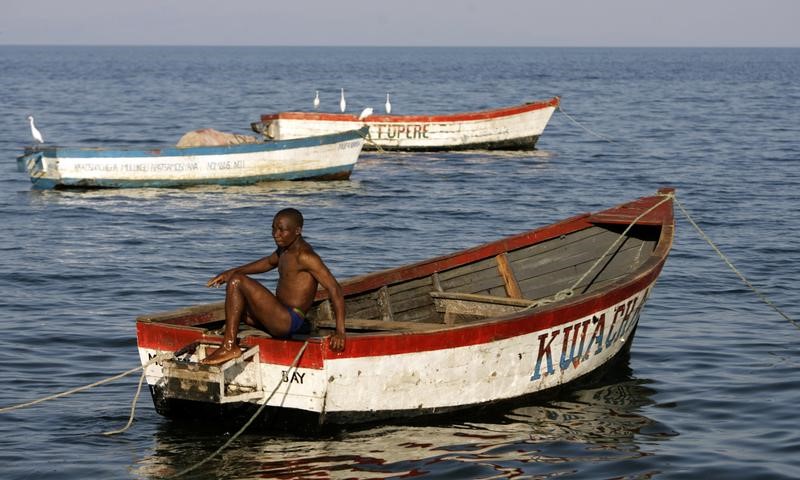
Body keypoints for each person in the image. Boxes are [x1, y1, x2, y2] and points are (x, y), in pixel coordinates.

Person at [202, 208, 346, 365]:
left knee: (237, 281)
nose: (276, 234)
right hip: (278, 315)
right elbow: (267, 263)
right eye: (273, 228)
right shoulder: (284, 250)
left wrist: (340, 331)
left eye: (282, 230)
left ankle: (229, 346)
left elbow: (334, 289)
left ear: (297, 231)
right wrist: (231, 272)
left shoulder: (305, 256)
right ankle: (229, 341)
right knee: (236, 306)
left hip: (288, 320)